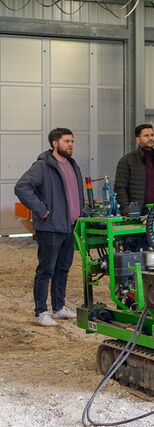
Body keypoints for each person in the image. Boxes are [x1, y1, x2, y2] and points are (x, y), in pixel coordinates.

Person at [15, 128, 85, 326]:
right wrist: (42, 210)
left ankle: (59, 308)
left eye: (72, 141)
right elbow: (22, 187)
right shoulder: (43, 166)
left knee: (63, 268)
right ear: (55, 143)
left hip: (70, 226)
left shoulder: (72, 165)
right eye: (66, 141)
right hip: (50, 227)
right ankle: (41, 312)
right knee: (46, 270)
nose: (70, 144)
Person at [114, 123, 154, 216]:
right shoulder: (127, 161)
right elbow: (120, 189)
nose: (150, 138)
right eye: (146, 136)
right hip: (138, 212)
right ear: (138, 139)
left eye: (152, 135)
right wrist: (127, 212)